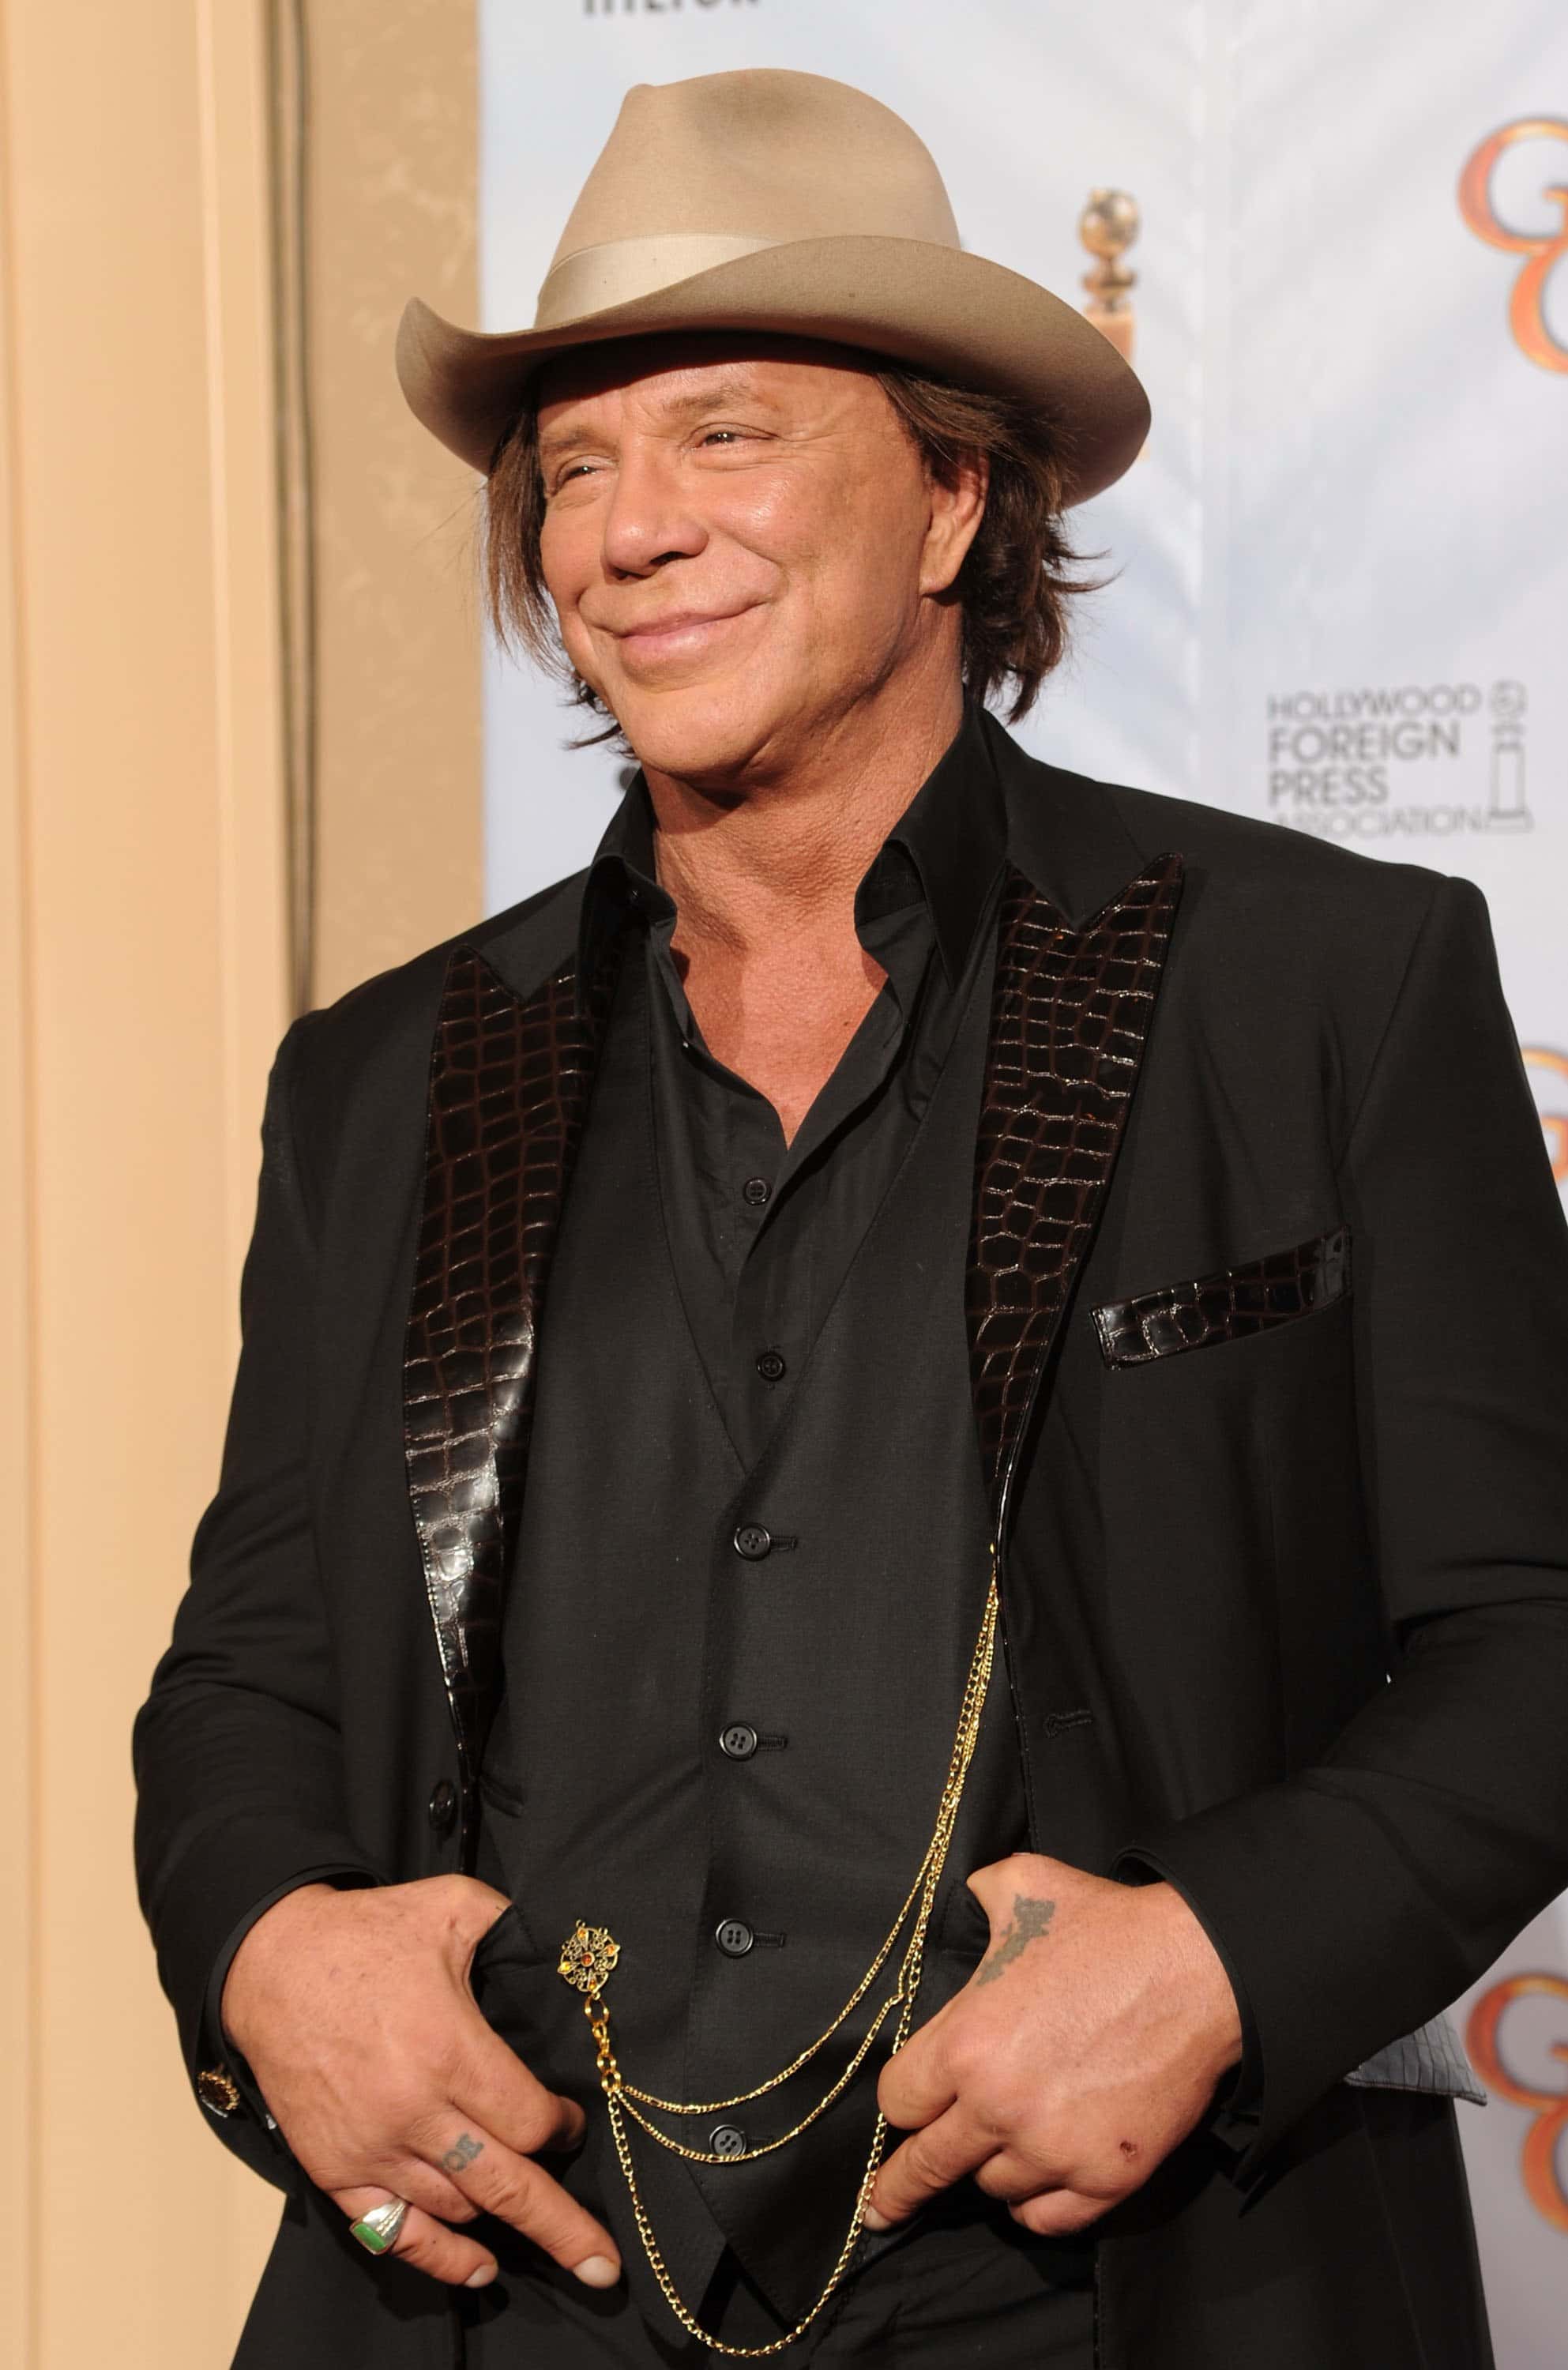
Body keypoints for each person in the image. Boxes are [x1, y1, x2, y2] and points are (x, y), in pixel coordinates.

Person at [134, 66, 1568, 2370]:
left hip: (1121, 2297)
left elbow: (1533, 1625)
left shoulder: (1323, 985)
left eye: (723, 434)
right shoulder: (385, 1081)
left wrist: (1218, 1955)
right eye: (572, 468)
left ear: (949, 502)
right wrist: (268, 1951)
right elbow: (254, 1672)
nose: (627, 530)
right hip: (511, 2289)